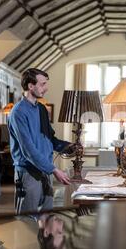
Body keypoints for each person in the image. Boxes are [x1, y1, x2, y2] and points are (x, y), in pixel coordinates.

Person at [8, 68, 74, 215]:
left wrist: (68, 147)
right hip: (28, 174)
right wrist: (54, 169)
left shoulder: (42, 109)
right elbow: (28, 150)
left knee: (47, 221)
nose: (46, 88)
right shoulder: (18, 112)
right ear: (31, 86)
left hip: (46, 172)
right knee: (26, 224)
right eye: (42, 84)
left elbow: (49, 139)